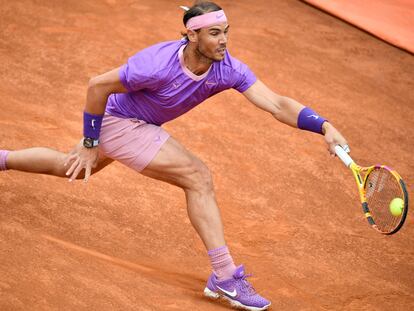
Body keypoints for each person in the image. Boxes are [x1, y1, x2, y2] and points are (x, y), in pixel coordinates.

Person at [0, 2, 349, 310]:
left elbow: (276, 103)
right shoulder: (154, 65)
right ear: (192, 36)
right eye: (215, 33)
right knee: (198, 177)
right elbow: (97, 85)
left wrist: (323, 126)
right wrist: (90, 142)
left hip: (133, 124)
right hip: (119, 121)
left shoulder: (228, 67)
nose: (224, 41)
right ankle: (225, 277)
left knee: (68, 167)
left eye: (226, 32)